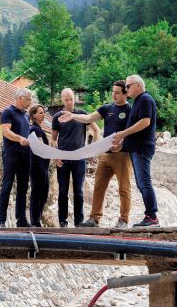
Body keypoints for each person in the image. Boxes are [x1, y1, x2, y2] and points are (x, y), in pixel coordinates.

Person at [59, 80, 132, 228]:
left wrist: (123, 142)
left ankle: (123, 220)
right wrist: (72, 116)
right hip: (105, 154)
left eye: (117, 92)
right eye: (113, 91)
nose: (114, 95)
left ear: (126, 94)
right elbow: (88, 118)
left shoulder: (131, 109)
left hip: (123, 155)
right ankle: (94, 219)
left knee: (124, 188)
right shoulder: (107, 108)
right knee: (98, 187)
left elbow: (134, 130)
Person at [113, 75, 159, 227]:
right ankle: (150, 215)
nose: (126, 89)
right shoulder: (138, 102)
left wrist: (123, 134)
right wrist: (124, 144)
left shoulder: (145, 99)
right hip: (136, 148)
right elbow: (135, 128)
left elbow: (145, 122)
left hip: (142, 148)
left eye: (128, 86)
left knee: (144, 183)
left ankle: (152, 217)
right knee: (141, 183)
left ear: (138, 85)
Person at [52, 88, 100, 227]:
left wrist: (92, 150)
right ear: (62, 100)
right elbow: (53, 139)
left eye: (71, 99)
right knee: (62, 191)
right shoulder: (57, 117)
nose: (69, 102)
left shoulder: (82, 114)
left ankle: (79, 222)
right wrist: (55, 155)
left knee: (78, 191)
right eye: (66, 100)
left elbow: (96, 131)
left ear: (74, 98)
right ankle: (63, 221)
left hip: (79, 158)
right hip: (63, 158)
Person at [0, 88, 32, 228]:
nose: (30, 102)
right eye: (28, 99)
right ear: (20, 98)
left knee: (23, 188)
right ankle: (1, 220)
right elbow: (6, 131)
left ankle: (21, 220)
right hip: (11, 153)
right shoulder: (8, 112)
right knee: (7, 186)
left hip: (25, 154)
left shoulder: (27, 116)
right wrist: (19, 139)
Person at [28, 104, 51, 227]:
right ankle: (35, 221)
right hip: (37, 165)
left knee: (44, 192)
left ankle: (37, 219)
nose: (43, 115)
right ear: (34, 116)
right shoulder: (35, 129)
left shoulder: (40, 129)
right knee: (37, 192)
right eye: (40, 113)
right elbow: (42, 148)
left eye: (43, 112)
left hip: (44, 165)